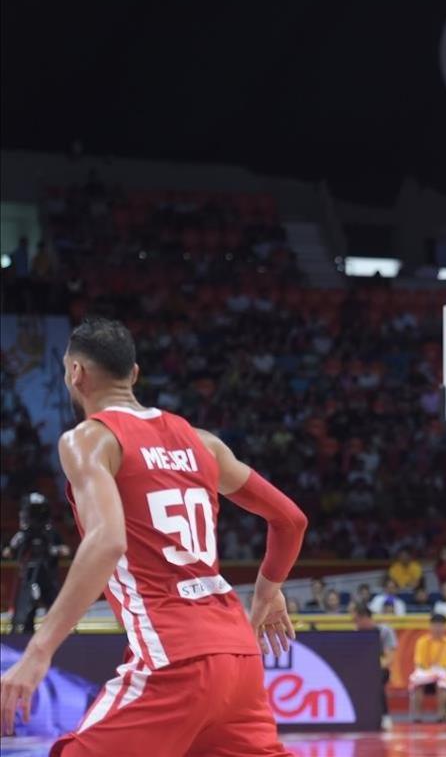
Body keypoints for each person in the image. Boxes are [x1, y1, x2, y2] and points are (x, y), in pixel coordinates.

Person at [0, 318, 307, 753]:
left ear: (75, 374)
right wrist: (267, 592)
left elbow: (107, 542)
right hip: (239, 659)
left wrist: (37, 653)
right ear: (135, 374)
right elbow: (291, 520)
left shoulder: (89, 439)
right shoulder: (204, 444)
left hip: (173, 659)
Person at [3, 493, 71, 633]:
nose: (36, 515)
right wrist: (14, 546)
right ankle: (24, 634)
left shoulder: (50, 532)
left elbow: (66, 550)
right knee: (27, 606)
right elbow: (8, 552)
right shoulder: (24, 533)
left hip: (48, 576)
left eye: (38, 510)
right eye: (33, 511)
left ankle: (60, 634)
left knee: (54, 607)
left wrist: (54, 550)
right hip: (29, 576)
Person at [352, 604, 397, 728]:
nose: (355, 624)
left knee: (375, 679)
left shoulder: (385, 631)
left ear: (365, 618)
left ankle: (385, 716)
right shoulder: (356, 633)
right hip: (362, 670)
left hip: (381, 669)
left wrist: (373, 666)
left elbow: (389, 658)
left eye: (357, 620)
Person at [409, 613, 446, 722]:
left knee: (442, 686)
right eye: (435, 625)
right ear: (430, 626)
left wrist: (437, 673)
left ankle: (441, 716)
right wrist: (430, 672)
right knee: (417, 686)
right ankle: (417, 717)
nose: (438, 628)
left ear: (445, 627)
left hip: (442, 674)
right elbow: (419, 664)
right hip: (426, 674)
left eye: (441, 626)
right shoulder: (422, 642)